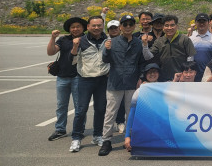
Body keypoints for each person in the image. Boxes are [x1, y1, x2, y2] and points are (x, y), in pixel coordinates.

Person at [99, 14, 152, 156]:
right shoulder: (112, 42)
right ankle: (106, 141)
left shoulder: (138, 43)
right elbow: (105, 60)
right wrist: (107, 49)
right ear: (120, 27)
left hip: (131, 82)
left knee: (131, 112)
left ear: (134, 26)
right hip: (115, 82)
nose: (128, 27)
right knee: (110, 113)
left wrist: (141, 78)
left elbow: (142, 62)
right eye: (125, 24)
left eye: (131, 24)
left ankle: (130, 138)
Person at [69, 15, 109, 153]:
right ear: (88, 27)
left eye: (99, 25)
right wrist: (75, 46)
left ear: (103, 26)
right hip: (85, 80)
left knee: (100, 109)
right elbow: (72, 61)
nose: (96, 28)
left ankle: (97, 135)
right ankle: (76, 137)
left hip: (102, 80)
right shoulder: (81, 41)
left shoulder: (107, 40)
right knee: (81, 110)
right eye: (93, 25)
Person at [46, 17, 87, 141]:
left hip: (79, 77)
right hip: (62, 77)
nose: (75, 29)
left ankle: (79, 130)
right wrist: (53, 38)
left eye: (78, 26)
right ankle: (60, 129)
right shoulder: (63, 39)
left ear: (83, 28)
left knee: (79, 107)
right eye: (72, 27)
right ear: (69, 29)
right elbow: (51, 52)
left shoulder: (86, 39)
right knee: (61, 106)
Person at [123, 63, 161, 152]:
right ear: (145, 75)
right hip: (145, 127)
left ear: (159, 74)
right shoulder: (139, 92)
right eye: (149, 72)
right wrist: (127, 136)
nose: (152, 74)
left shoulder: (165, 89)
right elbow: (131, 115)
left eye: (155, 71)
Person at [150, 14, 196, 81]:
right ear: (163, 27)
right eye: (166, 25)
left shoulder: (184, 39)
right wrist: (145, 45)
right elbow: (149, 56)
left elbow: (191, 57)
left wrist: (186, 73)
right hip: (163, 77)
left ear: (177, 26)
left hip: (181, 77)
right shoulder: (159, 41)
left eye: (172, 25)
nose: (169, 28)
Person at [189, 12, 212, 80]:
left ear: (208, 23)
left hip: (209, 72)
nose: (202, 24)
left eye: (204, 21)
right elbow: (189, 56)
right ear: (196, 23)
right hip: (194, 73)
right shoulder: (191, 38)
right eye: (199, 22)